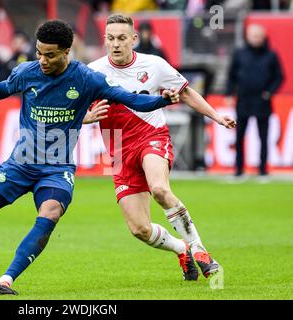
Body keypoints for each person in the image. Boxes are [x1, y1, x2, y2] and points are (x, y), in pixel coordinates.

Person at [0, 19, 180, 295]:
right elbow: (5, 87)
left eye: (49, 55)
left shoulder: (87, 79)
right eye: (39, 52)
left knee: (49, 212)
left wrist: (163, 100)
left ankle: (6, 279)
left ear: (66, 52)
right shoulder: (27, 71)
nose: (42, 60)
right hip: (20, 164)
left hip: (57, 169)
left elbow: (130, 99)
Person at [83, 14, 236, 280]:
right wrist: (86, 117)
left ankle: (200, 251)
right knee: (139, 229)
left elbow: (186, 92)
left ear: (134, 39)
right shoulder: (91, 72)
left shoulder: (153, 65)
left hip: (150, 135)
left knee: (160, 189)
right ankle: (181, 249)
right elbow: (74, 112)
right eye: (110, 39)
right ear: (104, 40)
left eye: (121, 38)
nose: (116, 44)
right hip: (118, 149)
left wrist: (216, 116)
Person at [226, 23, 283, 178]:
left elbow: (279, 76)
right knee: (239, 136)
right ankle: (238, 169)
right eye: (253, 35)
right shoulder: (240, 53)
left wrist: (269, 92)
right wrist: (229, 94)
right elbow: (231, 75)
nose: (255, 39)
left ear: (263, 37)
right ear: (247, 36)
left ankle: (263, 169)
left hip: (262, 101)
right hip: (243, 99)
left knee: (263, 137)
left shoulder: (271, 55)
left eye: (258, 36)